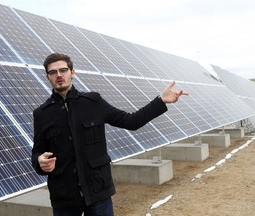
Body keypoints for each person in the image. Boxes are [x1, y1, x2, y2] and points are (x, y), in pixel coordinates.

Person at [31, 53, 188, 216]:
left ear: (72, 72)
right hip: (64, 197)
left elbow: (131, 121)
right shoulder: (42, 114)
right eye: (53, 72)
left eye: (63, 70)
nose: (58, 75)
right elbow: (37, 152)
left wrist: (160, 100)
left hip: (98, 192)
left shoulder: (93, 102)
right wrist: (39, 162)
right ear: (47, 76)